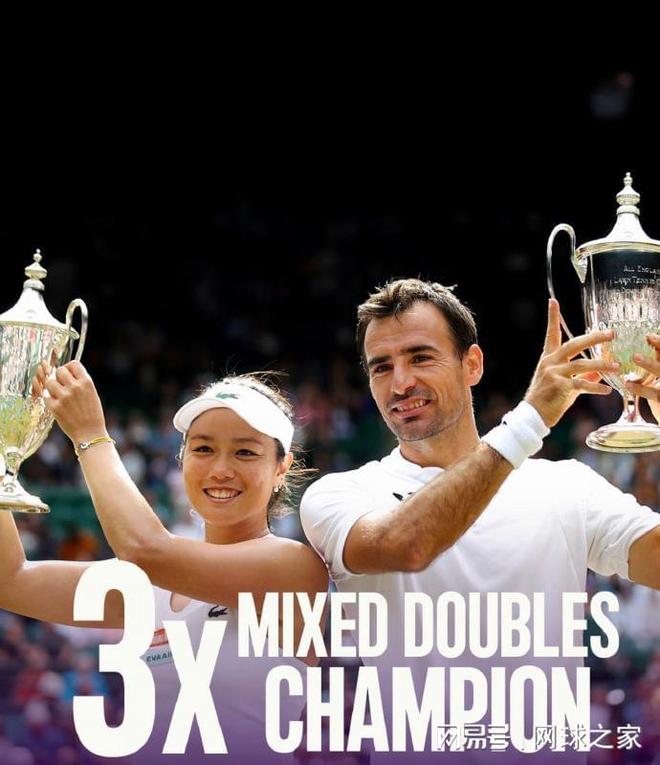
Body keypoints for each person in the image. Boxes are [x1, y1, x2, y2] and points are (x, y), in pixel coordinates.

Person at [300, 278, 660, 764]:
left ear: (472, 364)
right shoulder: (340, 494)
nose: (400, 383)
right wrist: (530, 419)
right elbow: (408, 544)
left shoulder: (567, 486)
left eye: (420, 357)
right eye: (381, 367)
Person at [0, 367, 328, 764]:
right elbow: (11, 580)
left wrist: (90, 435)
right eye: (203, 449)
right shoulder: (150, 584)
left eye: (245, 452)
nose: (220, 469)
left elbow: (145, 549)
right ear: (181, 458)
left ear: (281, 467)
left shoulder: (293, 568)